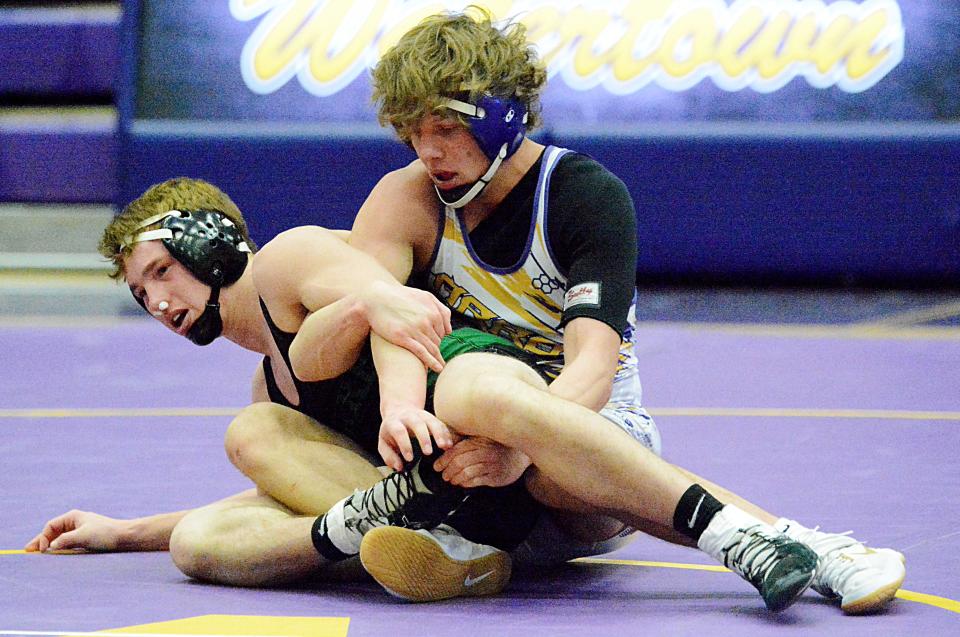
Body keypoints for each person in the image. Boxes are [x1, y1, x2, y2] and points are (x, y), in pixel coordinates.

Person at [328, 7, 905, 614]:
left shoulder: (582, 195)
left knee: (549, 469)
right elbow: (381, 313)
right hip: (469, 441)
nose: (428, 151)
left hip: (592, 435)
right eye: (413, 132)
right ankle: (474, 552)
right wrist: (397, 409)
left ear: (503, 116)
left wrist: (525, 443)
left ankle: (799, 544)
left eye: (445, 129)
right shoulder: (405, 197)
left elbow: (594, 371)